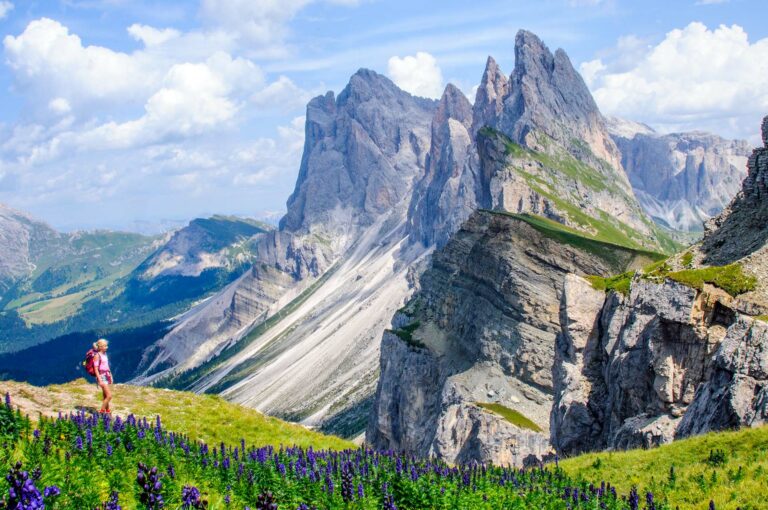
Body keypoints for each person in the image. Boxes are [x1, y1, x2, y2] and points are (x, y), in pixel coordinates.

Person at [93, 338, 113, 414]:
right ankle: (101, 412)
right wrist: (100, 380)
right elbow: (96, 369)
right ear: (100, 347)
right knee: (109, 396)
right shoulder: (97, 356)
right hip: (101, 376)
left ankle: (107, 412)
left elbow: (107, 365)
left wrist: (110, 375)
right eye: (105, 346)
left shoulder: (104, 354)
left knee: (105, 395)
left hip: (106, 375)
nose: (107, 347)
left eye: (106, 346)